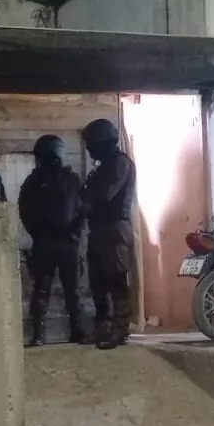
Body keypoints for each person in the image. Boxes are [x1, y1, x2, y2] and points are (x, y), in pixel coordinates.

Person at [18, 135, 86, 347]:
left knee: (48, 289)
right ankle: (71, 330)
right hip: (60, 242)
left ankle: (46, 333)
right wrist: (75, 233)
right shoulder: (66, 179)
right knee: (64, 289)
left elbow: (25, 212)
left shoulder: (37, 181)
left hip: (52, 242)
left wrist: (38, 234)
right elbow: (82, 210)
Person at [81, 117, 136, 349]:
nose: (88, 148)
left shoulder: (120, 163)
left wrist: (85, 199)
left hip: (114, 227)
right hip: (100, 229)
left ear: (102, 142)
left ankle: (120, 329)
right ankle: (103, 327)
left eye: (91, 144)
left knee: (115, 278)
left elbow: (104, 195)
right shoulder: (104, 166)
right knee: (97, 281)